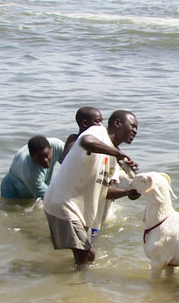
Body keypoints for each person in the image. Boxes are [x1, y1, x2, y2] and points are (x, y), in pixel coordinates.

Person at [43, 110, 141, 267]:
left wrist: (127, 192)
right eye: (133, 126)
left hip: (78, 212)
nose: (135, 131)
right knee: (87, 256)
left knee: (83, 257)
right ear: (117, 123)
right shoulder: (98, 131)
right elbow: (85, 142)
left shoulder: (113, 161)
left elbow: (105, 192)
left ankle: (70, 284)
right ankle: (80, 289)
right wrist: (119, 154)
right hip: (64, 204)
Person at [0, 135, 65, 199]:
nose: (45, 160)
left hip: (33, 185)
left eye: (46, 155)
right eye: (40, 158)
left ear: (51, 149)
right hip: (13, 192)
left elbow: (72, 164)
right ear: (32, 157)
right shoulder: (28, 172)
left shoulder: (57, 146)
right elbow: (49, 196)